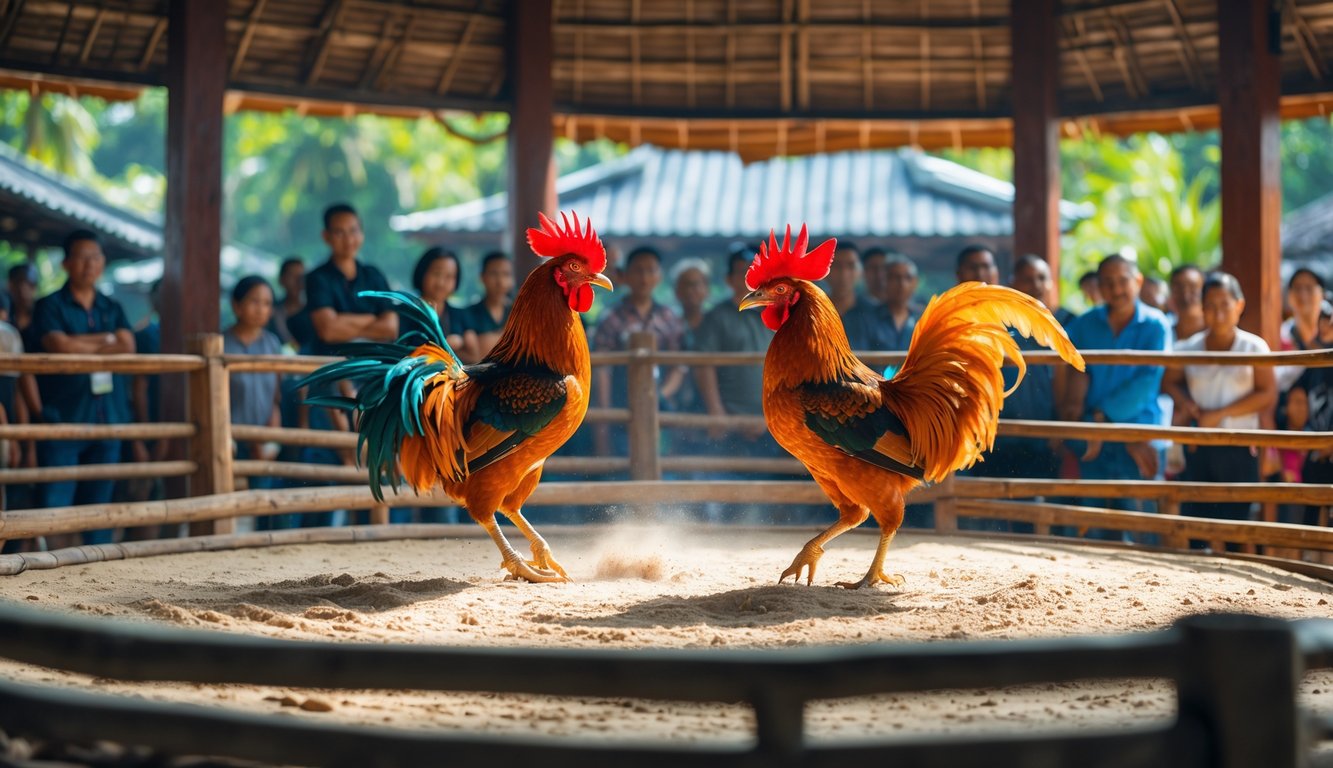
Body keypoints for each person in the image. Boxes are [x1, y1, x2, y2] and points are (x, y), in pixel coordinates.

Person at [30, 230, 135, 548]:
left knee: (100, 508)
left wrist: (78, 344)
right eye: (83, 257)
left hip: (107, 418)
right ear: (66, 263)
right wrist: (106, 340)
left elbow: (128, 346)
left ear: (103, 263)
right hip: (65, 417)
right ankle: (49, 574)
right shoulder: (49, 305)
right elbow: (57, 345)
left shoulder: (111, 306)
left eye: (96, 257)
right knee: (55, 505)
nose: (90, 264)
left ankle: (96, 573)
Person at [1061, 253, 1172, 539]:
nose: (1116, 289)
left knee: (1141, 526)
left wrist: (1103, 420)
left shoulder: (1155, 325)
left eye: (1123, 281)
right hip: (1094, 435)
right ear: (1099, 286)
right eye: (1108, 282)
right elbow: (1074, 373)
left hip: (1138, 434)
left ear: (1137, 281)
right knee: (1092, 522)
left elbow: (1148, 382)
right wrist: (1081, 420)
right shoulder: (1084, 325)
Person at [303, 204, 398, 526]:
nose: (348, 238)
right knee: (330, 463)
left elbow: (391, 327)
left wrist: (346, 322)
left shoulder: (373, 274)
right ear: (326, 236)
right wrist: (370, 320)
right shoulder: (317, 278)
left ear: (362, 233)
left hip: (370, 381)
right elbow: (326, 330)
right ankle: (319, 535)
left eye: (353, 230)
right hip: (329, 382)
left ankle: (370, 532)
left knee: (371, 455)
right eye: (340, 232)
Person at [1162, 272, 1275, 531]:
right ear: (1202, 308)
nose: (1218, 312)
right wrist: (1187, 403)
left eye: (1225, 304)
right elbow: (1170, 382)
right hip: (1199, 446)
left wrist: (1220, 413)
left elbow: (1266, 393)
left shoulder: (1254, 348)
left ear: (1239, 305)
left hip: (1240, 445)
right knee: (1197, 523)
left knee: (1236, 524)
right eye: (1211, 306)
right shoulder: (1187, 348)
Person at [692, 244, 784, 522]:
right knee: (728, 495)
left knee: (772, 493)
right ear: (729, 279)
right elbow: (703, 365)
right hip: (730, 418)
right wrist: (718, 413)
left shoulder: (776, 315)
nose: (749, 279)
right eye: (742, 273)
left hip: (771, 419)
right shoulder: (717, 317)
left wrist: (772, 416)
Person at [591, 245, 684, 459]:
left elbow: (679, 366)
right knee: (622, 463)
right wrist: (605, 416)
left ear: (659, 276)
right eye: (638, 270)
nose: (644, 277)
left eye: (650, 270)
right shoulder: (611, 318)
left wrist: (661, 395)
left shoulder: (670, 318)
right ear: (625, 276)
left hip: (662, 405)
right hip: (621, 404)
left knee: (662, 462)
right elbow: (602, 371)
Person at [223, 276, 288, 529]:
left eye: (267, 303)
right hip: (229, 434)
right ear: (236, 305)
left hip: (264, 428)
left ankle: (262, 541)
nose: (261, 309)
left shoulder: (272, 343)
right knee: (228, 491)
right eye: (254, 301)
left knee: (263, 493)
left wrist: (270, 425)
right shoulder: (223, 342)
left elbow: (276, 392)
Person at [1270, 269, 1329, 513]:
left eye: (1309, 287)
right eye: (1297, 288)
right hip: (1289, 445)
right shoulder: (1280, 337)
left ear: (1322, 294)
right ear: (1289, 296)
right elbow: (1273, 387)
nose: (1303, 294)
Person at [1285, 300, 1333, 528]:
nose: (1328, 323)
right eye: (1324, 317)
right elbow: (1292, 399)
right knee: (1309, 518)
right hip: (1314, 451)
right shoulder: (1310, 363)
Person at [403, 247, 478, 363]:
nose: (441, 282)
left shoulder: (460, 314)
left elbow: (474, 356)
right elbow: (405, 356)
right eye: (436, 274)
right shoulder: (405, 313)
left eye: (449, 276)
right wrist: (448, 345)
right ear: (422, 273)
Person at [843, 250, 921, 355]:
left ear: (915, 283)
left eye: (908, 278)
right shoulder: (863, 318)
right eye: (895, 277)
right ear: (884, 281)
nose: (902, 284)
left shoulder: (922, 319)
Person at [466, 251, 514, 360]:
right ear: (482, 277)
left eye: (506, 274)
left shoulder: (518, 313)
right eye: (494, 274)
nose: (500, 281)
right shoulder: (468, 313)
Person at [268, 257, 306, 351]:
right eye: (292, 276)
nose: (298, 282)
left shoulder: (314, 312)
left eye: (301, 277)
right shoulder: (270, 311)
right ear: (281, 280)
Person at [1168, 264, 1206, 342]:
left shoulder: (1215, 335)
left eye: (1193, 288)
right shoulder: (1163, 331)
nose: (1186, 295)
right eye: (1179, 288)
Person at [825, 242, 863, 318]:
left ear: (860, 272)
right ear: (826, 271)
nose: (844, 274)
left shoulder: (876, 314)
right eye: (837, 265)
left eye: (851, 265)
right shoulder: (816, 309)